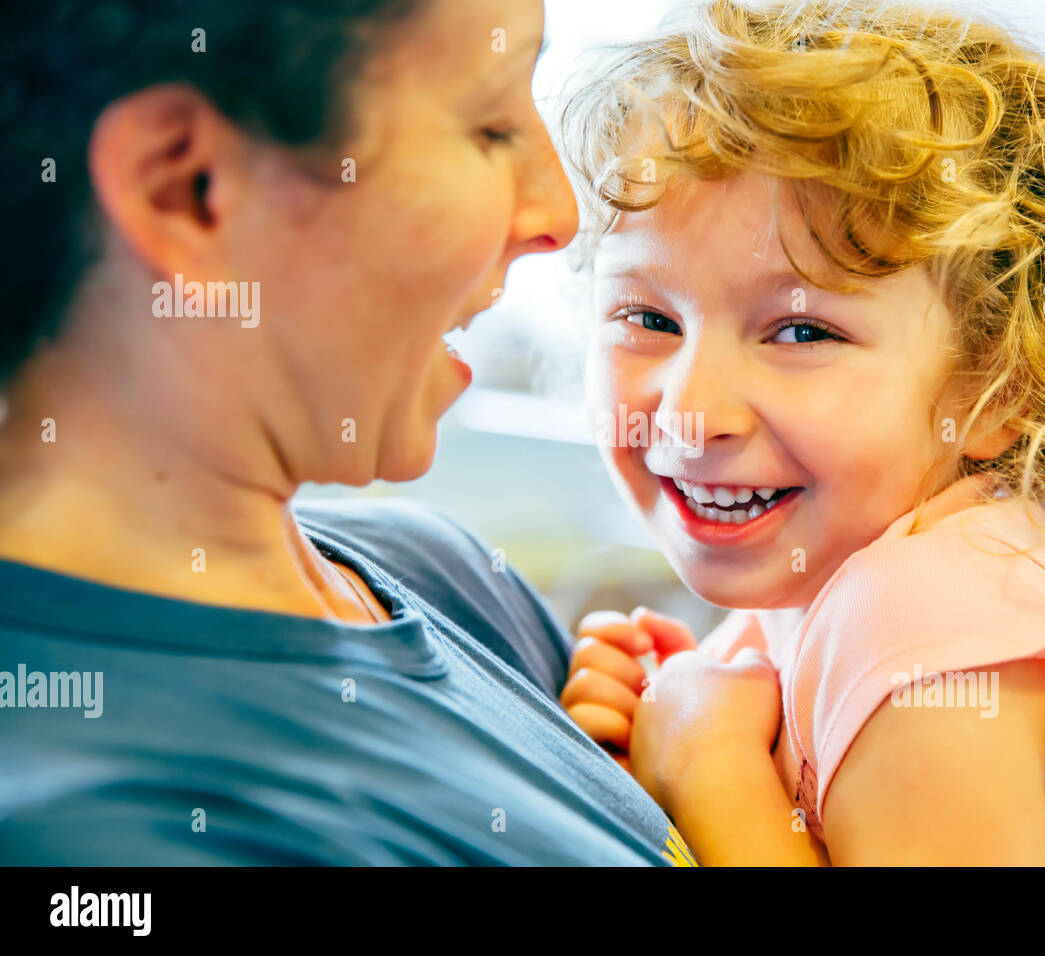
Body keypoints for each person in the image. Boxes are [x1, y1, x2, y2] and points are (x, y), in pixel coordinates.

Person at [557, 0, 1045, 865]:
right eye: (646, 316)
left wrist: (703, 763)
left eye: (800, 333)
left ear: (992, 390)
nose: (689, 414)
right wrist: (671, 715)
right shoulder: (817, 596)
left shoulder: (929, 622)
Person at [0, 0, 696, 866]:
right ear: (186, 192)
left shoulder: (445, 578)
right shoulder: (95, 831)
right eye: (488, 126)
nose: (560, 212)